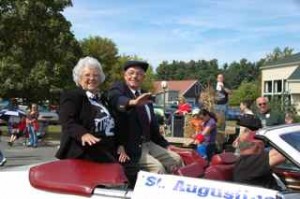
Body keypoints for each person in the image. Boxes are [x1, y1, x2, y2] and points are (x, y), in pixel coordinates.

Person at [107, 60, 183, 176]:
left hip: (148, 143)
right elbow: (116, 99)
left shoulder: (145, 96)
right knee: (157, 168)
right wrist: (132, 102)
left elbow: (153, 128)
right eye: (131, 73)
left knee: (176, 159)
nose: (134, 76)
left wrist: (166, 145)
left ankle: (176, 189)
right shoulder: (119, 89)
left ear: (143, 77)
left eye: (139, 74)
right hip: (131, 146)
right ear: (125, 75)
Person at [56, 56, 118, 164]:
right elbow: (66, 120)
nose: (92, 78)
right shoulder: (72, 96)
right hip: (82, 153)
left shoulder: (103, 99)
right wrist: (83, 134)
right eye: (87, 75)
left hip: (106, 152)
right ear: (79, 78)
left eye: (96, 75)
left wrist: (120, 145)